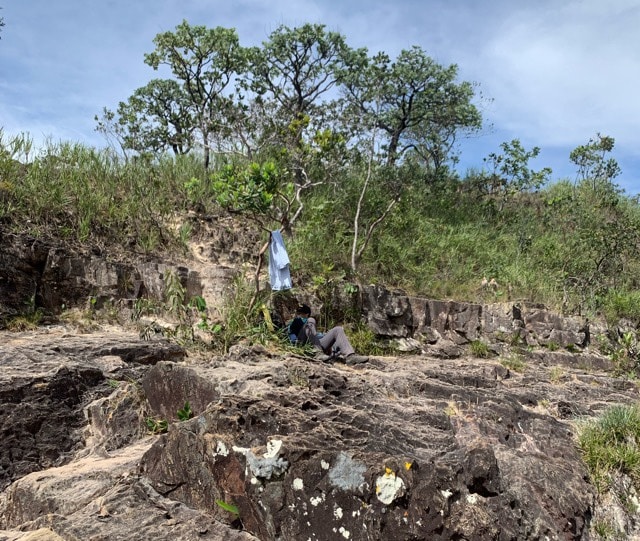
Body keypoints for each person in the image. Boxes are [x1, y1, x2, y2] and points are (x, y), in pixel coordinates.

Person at [287, 304, 369, 365]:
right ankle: (317, 353)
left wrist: (334, 350)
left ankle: (350, 356)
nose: (300, 315)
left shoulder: (312, 326)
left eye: (302, 313)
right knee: (311, 321)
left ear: (307, 314)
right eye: (298, 313)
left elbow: (322, 337)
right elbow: (290, 335)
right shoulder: (294, 323)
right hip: (302, 343)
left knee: (338, 329)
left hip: (318, 344)